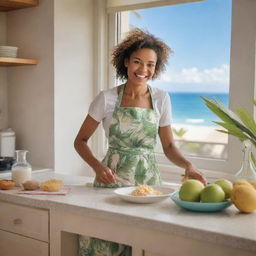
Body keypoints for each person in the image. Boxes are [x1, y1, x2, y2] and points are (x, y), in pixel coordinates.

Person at [74, 28, 206, 256]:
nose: (143, 70)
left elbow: (169, 146)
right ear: (126, 62)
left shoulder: (161, 98)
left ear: (156, 68)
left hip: (149, 186)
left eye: (150, 65)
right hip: (111, 181)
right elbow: (81, 141)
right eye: (137, 62)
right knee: (107, 244)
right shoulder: (106, 98)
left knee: (146, 243)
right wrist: (97, 167)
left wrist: (188, 166)